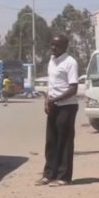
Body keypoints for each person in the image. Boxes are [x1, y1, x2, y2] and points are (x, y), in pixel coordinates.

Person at [35, 35, 79, 187]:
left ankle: (63, 177)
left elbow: (73, 89)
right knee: (51, 141)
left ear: (64, 47)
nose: (53, 48)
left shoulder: (70, 62)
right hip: (53, 105)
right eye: (51, 44)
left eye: (56, 45)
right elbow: (51, 84)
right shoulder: (52, 61)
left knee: (64, 141)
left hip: (67, 106)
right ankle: (48, 175)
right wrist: (47, 100)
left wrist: (55, 99)